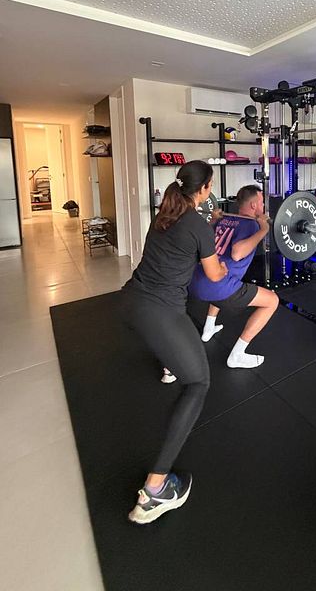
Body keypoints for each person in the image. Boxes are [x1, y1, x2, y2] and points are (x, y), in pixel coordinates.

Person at [123, 160, 228, 525]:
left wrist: (207, 228)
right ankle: (155, 491)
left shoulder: (165, 214)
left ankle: (170, 361)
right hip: (159, 311)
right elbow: (214, 274)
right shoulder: (197, 224)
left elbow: (185, 240)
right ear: (202, 190)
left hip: (131, 300)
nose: (211, 192)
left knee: (178, 350)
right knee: (199, 382)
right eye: (209, 186)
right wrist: (223, 263)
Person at [163, 185, 278, 381]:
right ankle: (238, 354)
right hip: (218, 285)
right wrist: (264, 229)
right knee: (272, 301)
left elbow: (205, 239)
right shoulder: (252, 225)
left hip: (196, 280)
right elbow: (237, 252)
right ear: (253, 205)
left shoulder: (224, 219)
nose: (263, 205)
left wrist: (214, 219)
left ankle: (208, 328)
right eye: (261, 202)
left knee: (223, 282)